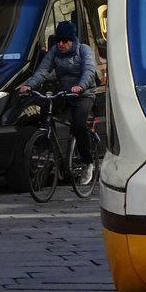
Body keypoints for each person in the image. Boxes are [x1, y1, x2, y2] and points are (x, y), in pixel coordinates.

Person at [19, 21, 97, 179]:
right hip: (64, 93)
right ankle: (52, 152)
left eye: (65, 40)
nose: (61, 44)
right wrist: (29, 85)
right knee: (45, 111)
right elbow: (43, 71)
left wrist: (80, 86)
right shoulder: (54, 52)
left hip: (84, 95)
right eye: (58, 40)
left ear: (72, 40)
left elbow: (89, 71)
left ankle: (87, 162)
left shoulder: (84, 50)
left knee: (78, 124)